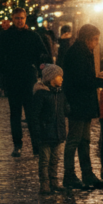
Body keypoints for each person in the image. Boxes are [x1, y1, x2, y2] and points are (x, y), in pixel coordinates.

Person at [0, 8, 50, 158]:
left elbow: (43, 54)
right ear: (12, 18)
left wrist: (39, 63)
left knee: (32, 114)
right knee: (15, 114)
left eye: (22, 18)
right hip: (12, 79)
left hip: (28, 78)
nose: (20, 21)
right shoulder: (5, 36)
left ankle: (36, 146)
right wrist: (4, 72)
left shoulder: (33, 36)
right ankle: (17, 145)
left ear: (25, 18)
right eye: (17, 18)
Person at [61, 24, 103, 190]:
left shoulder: (84, 51)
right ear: (87, 39)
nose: (97, 43)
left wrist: (96, 78)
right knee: (74, 140)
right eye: (95, 39)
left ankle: (87, 173)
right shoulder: (77, 53)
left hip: (84, 103)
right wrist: (101, 82)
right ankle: (69, 175)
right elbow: (80, 80)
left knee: (85, 140)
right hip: (78, 103)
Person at [32, 64, 67, 194]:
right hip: (45, 133)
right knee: (45, 161)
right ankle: (44, 184)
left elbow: (64, 111)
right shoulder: (41, 94)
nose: (62, 79)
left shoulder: (60, 93)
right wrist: (37, 132)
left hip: (58, 132)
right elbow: (35, 115)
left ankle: (54, 181)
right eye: (59, 76)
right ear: (51, 78)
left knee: (55, 159)